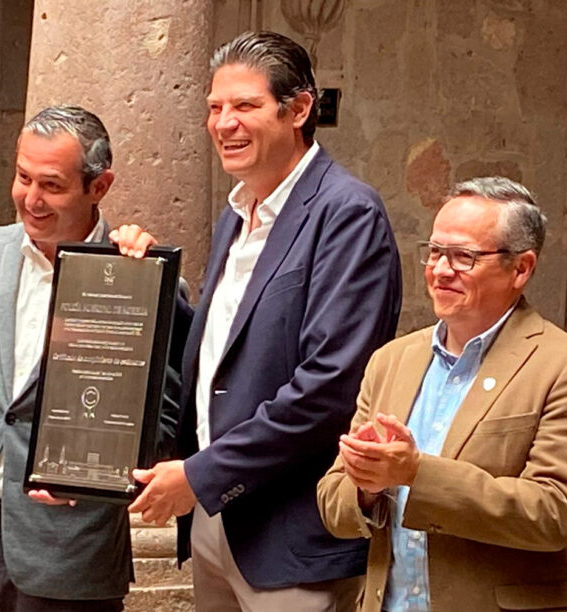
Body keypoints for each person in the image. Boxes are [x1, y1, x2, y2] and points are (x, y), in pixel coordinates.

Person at [113, 31, 402, 612]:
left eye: (245, 105)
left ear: (299, 110)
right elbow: (226, 354)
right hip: (218, 524)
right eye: (215, 107)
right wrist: (151, 290)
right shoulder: (237, 213)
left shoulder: (347, 212)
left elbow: (329, 388)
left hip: (291, 532)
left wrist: (201, 476)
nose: (224, 123)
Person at [0, 105, 189, 611]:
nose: (31, 198)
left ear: (99, 186)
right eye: (23, 177)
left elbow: (165, 423)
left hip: (69, 551)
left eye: (52, 185)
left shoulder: (138, 277)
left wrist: (95, 476)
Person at [317, 176, 567, 612]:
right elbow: (333, 504)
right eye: (435, 252)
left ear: (521, 268)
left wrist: (416, 474)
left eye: (463, 257)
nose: (440, 270)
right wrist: (366, 489)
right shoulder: (391, 361)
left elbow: (553, 514)